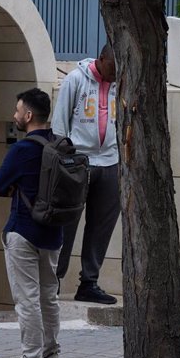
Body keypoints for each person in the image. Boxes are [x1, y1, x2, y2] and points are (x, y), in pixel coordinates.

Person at [0, 88, 62, 358]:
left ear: (29, 115)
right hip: (55, 232)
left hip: (24, 231)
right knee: (49, 296)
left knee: (27, 298)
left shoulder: (21, 150)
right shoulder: (63, 145)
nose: (15, 115)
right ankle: (51, 355)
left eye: (18, 110)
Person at [51, 44, 119, 305]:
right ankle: (54, 281)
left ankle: (89, 283)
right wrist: (66, 161)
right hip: (78, 162)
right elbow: (59, 125)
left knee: (101, 226)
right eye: (112, 67)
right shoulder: (76, 80)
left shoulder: (121, 82)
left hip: (110, 162)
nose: (115, 74)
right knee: (66, 224)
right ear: (101, 60)